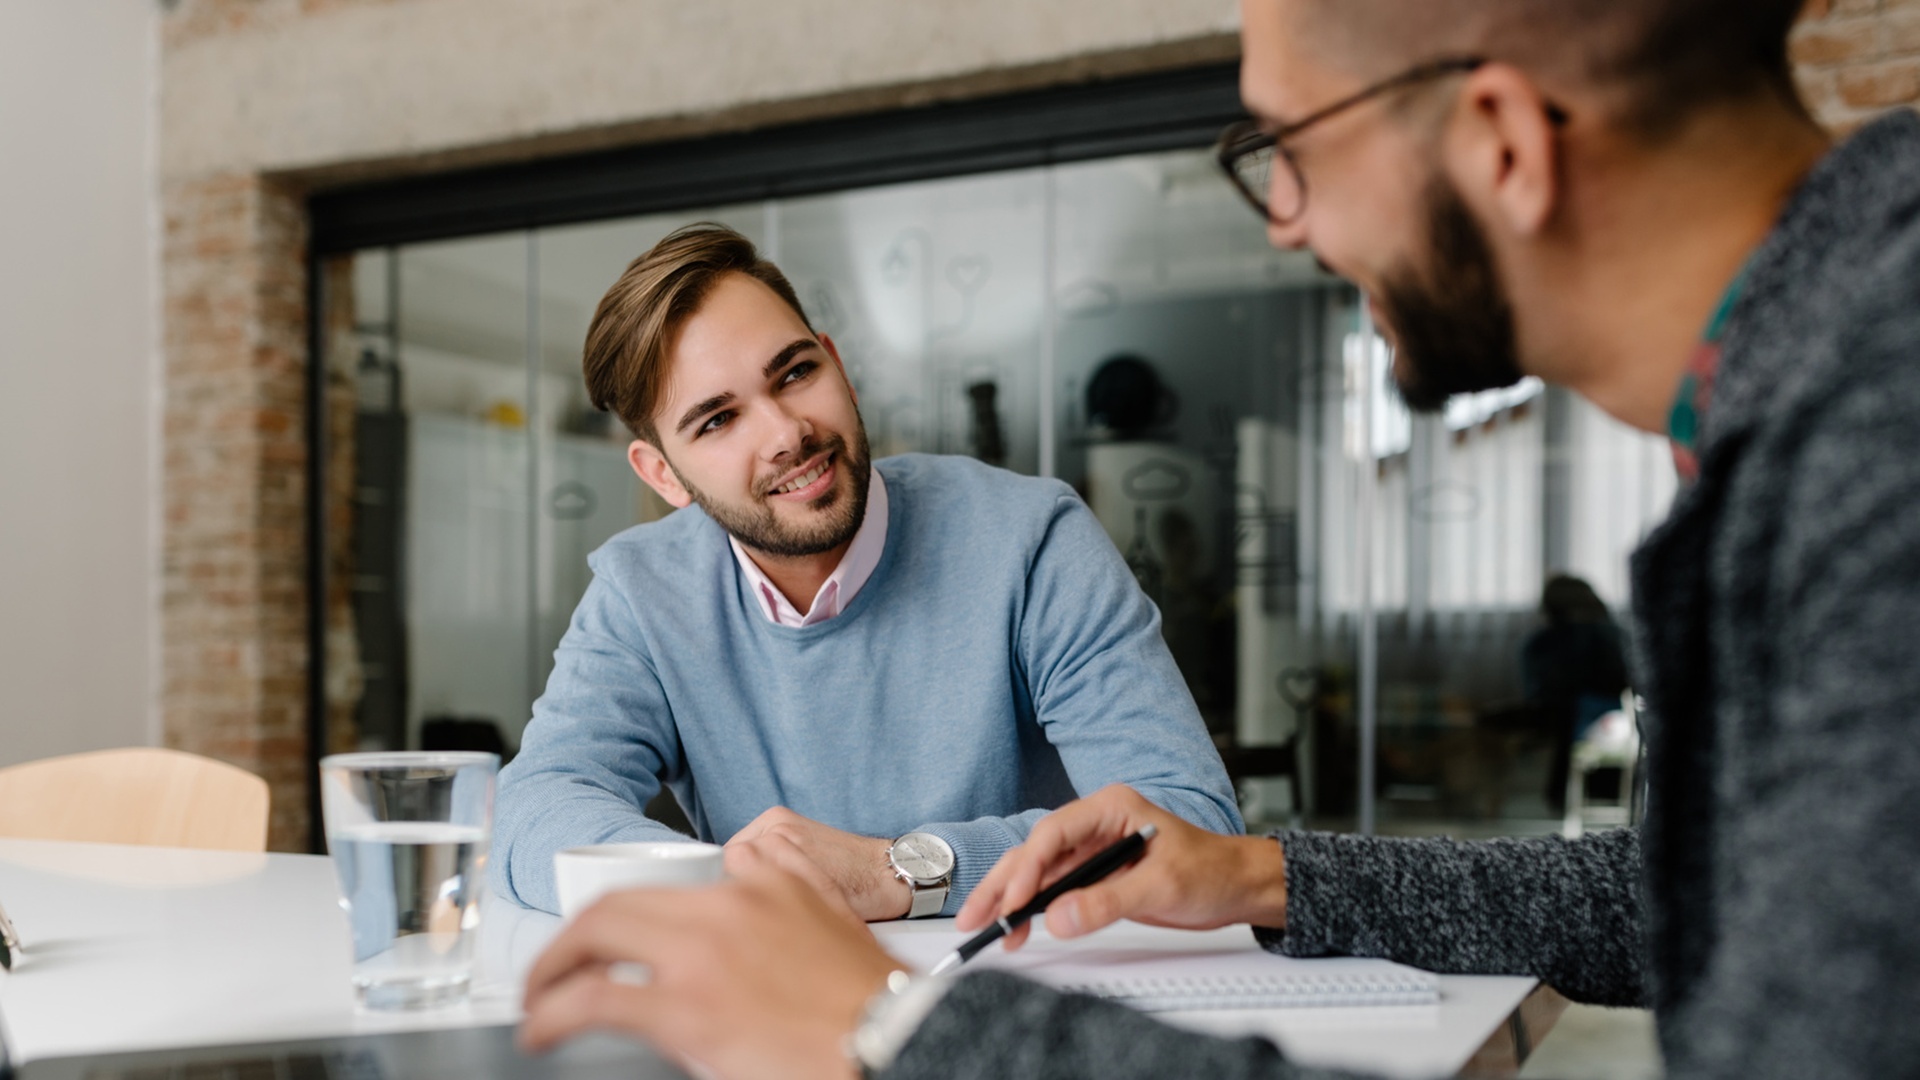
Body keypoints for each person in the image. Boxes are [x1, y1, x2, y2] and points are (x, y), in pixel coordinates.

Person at [516, 0, 1920, 1077]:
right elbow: (1671, 899)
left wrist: (889, 1028)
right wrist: (1269, 875)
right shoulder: (1808, 396)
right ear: (658, 468)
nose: (1289, 225)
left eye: (1289, 150)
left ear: (1501, 142)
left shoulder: (1876, 443)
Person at [490, 223, 1242, 920]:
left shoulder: (1031, 539)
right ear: (664, 475)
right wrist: (722, 887)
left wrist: (899, 871)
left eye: (793, 373)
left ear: (837, 365)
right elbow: (537, 804)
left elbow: (1185, 821)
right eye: (718, 421)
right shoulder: (642, 590)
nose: (787, 434)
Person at [1520, 574, 1630, 812]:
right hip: (1611, 713)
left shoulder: (1546, 641)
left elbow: (1539, 688)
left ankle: (1566, 792)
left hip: (1581, 712)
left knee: (1573, 711)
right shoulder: (1613, 633)